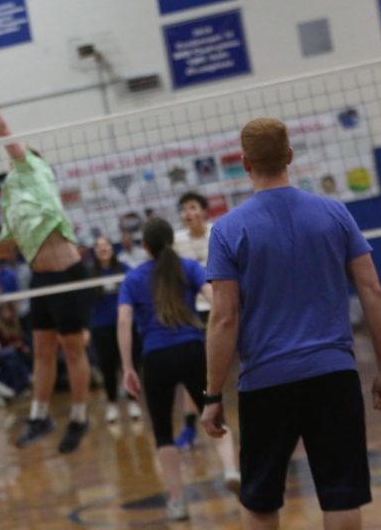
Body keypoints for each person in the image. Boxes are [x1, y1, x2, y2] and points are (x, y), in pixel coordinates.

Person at [201, 118, 381, 530]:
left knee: (260, 501)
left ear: (244, 162)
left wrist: (212, 393)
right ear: (289, 156)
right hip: (333, 373)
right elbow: (373, 292)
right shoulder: (334, 212)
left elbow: (223, 318)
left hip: (266, 381)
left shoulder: (227, 229)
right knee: (341, 495)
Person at [0, 67, 92, 453]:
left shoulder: (33, 169)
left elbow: (4, 131)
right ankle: (39, 415)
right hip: (40, 279)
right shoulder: (11, 195)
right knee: (42, 350)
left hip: (68, 273)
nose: (12, 158)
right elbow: (4, 250)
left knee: (73, 350)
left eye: (17, 154)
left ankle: (80, 417)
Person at [118, 217, 240, 521]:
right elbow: (216, 301)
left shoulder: (133, 278)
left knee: (162, 432)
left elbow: (123, 322)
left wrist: (128, 367)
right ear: (172, 240)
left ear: (145, 246)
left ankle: (177, 502)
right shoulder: (188, 267)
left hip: (156, 358)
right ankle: (230, 470)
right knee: (215, 412)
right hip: (192, 350)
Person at [171, 191, 214, 445]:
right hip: (192, 312)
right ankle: (189, 427)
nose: (188, 213)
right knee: (194, 371)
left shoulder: (217, 232)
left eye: (193, 207)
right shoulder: (176, 242)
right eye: (184, 209)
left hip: (221, 307)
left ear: (204, 211)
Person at [88, 236, 140, 424]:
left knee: (129, 364)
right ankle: (112, 405)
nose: (103, 248)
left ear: (112, 248)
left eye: (106, 244)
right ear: (94, 251)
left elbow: (137, 289)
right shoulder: (90, 274)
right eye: (98, 245)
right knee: (108, 367)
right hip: (101, 328)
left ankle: (133, 401)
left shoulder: (124, 268)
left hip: (125, 326)